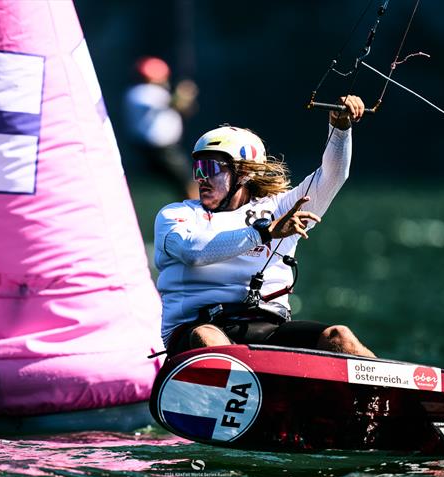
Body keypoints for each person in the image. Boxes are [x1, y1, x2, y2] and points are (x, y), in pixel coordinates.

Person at [154, 95, 376, 358]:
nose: (201, 178)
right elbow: (193, 252)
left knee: (340, 337)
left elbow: (332, 176)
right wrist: (265, 232)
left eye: (211, 168)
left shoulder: (280, 208)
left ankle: (391, 394)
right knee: (207, 336)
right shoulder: (176, 214)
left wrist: (340, 130)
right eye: (198, 169)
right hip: (196, 332)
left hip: (268, 327)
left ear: (244, 174)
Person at [123, 56, 199, 199]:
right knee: (188, 184)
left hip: (162, 149)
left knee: (184, 184)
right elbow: (173, 103)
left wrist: (185, 96)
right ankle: (199, 213)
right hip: (159, 150)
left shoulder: (147, 91)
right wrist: (183, 92)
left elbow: (182, 108)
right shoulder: (142, 91)